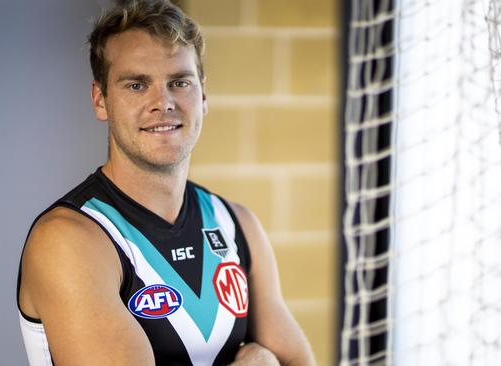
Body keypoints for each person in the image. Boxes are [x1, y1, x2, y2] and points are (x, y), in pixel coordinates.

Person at [16, 0, 316, 365]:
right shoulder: (71, 238)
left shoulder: (236, 224)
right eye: (137, 85)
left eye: (179, 82)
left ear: (203, 95)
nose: (163, 102)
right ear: (101, 100)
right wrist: (259, 361)